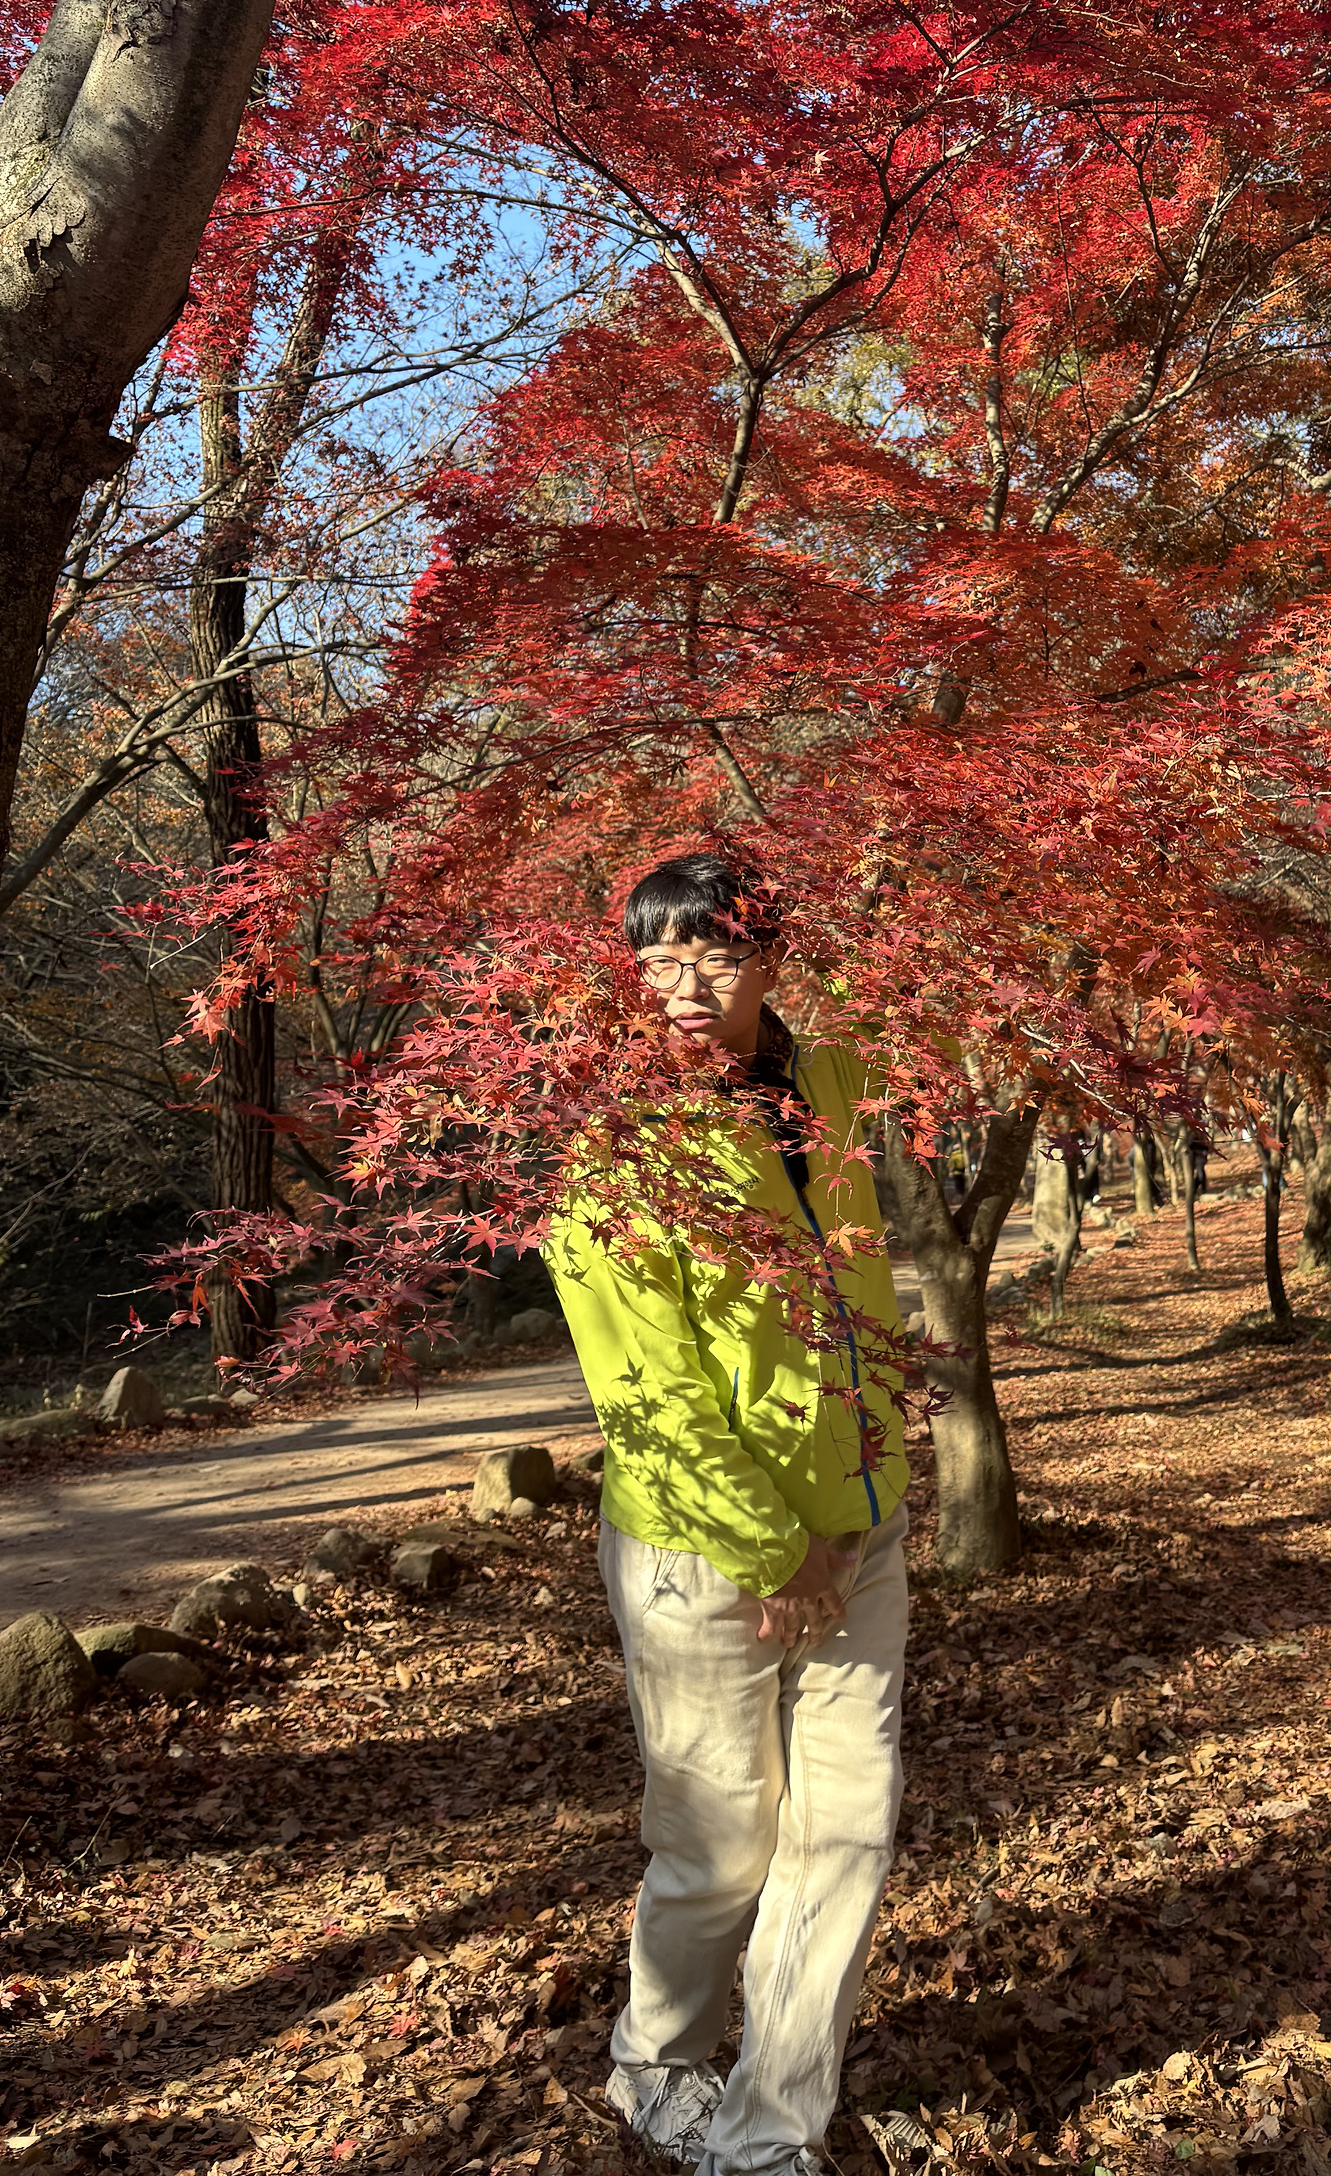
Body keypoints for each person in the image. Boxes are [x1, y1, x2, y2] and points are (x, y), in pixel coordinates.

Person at [546, 852, 910, 2174]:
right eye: (656, 958)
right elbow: (647, 1395)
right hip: (703, 1551)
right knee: (719, 1847)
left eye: (714, 952)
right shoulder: (614, 1144)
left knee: (846, 1833)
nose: (683, 985)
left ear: (771, 959)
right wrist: (773, 1548)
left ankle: (767, 2133)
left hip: (860, 1527)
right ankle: (656, 2063)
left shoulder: (828, 1080)